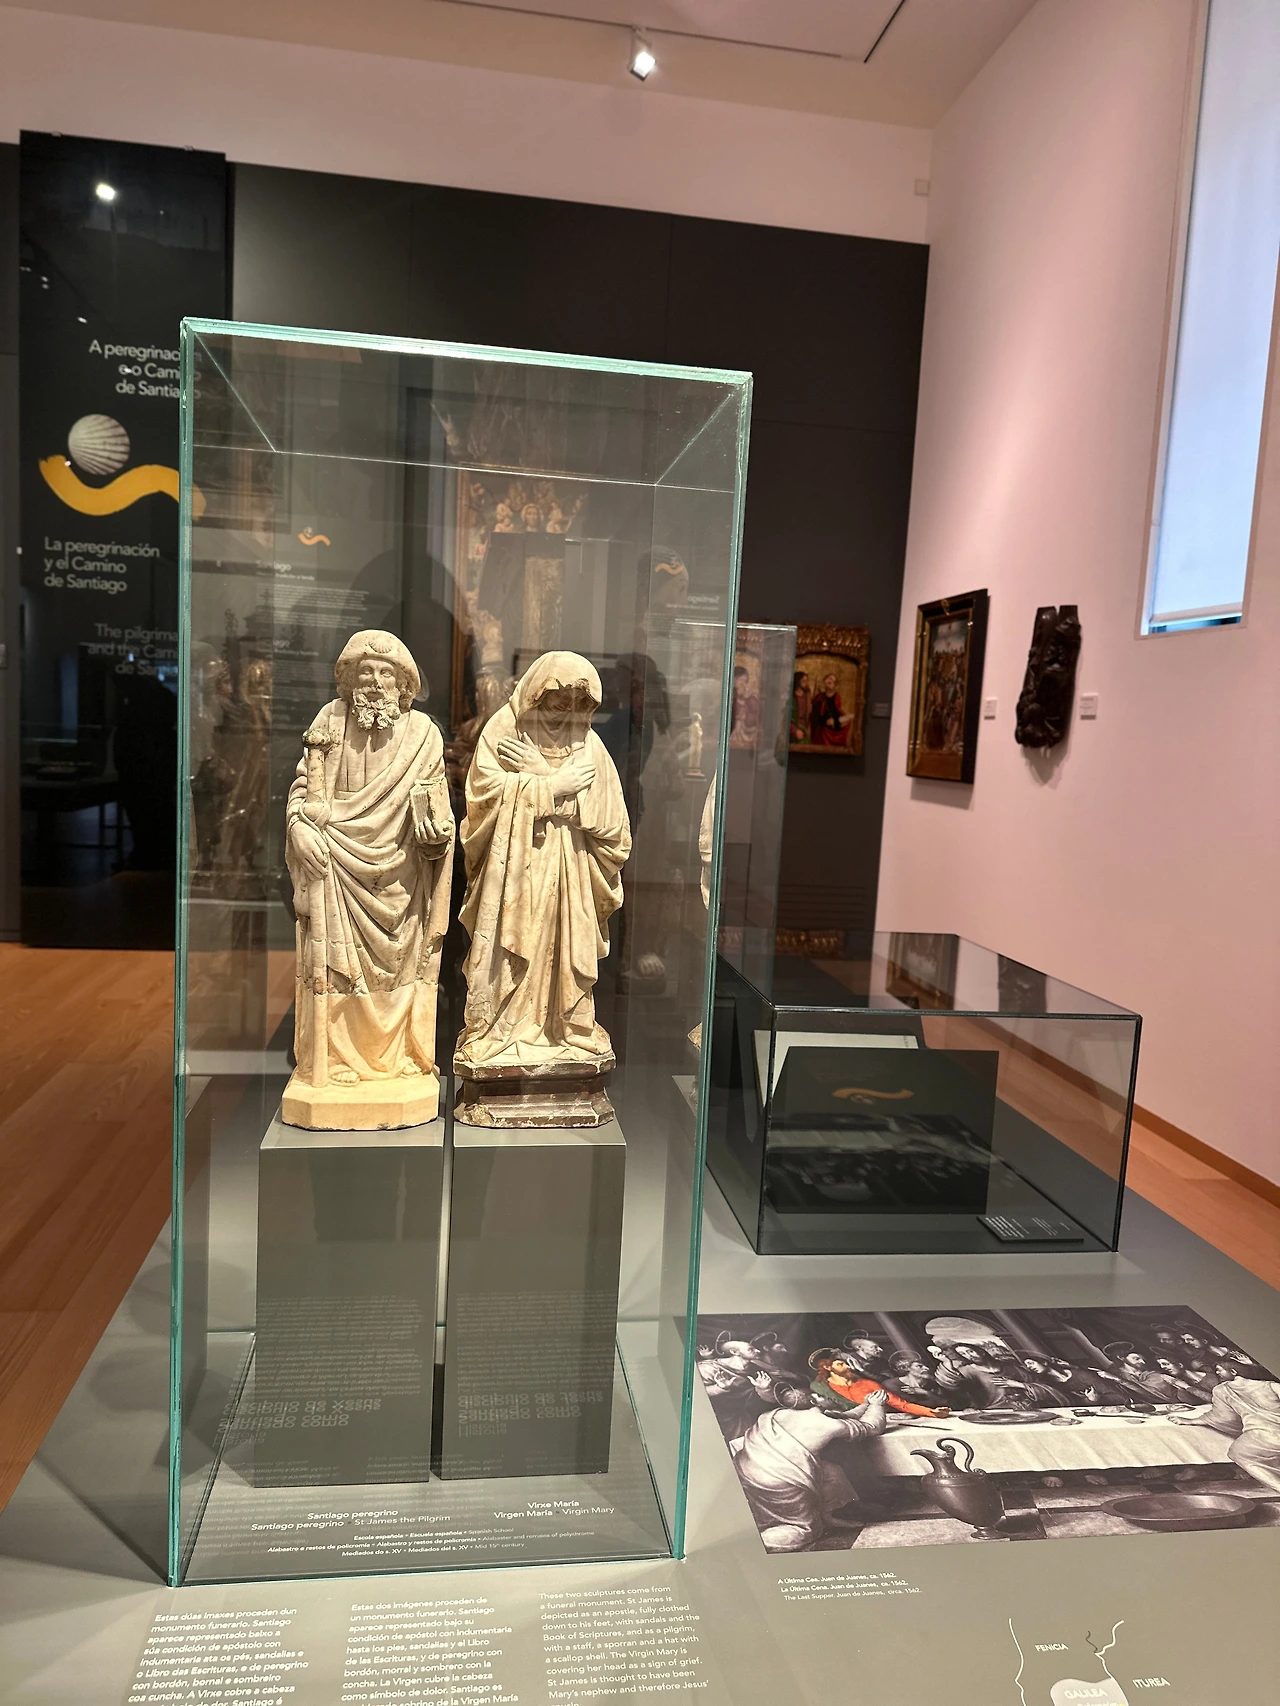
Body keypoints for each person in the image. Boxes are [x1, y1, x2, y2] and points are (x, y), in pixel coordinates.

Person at [285, 631, 455, 1095]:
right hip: (335, 865)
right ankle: (335, 1056)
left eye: (386, 672)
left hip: (400, 874)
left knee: (399, 963)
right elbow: (304, 789)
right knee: (336, 962)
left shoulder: (423, 734)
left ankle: (397, 1054)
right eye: (366, 672)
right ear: (349, 679)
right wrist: (299, 828)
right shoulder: (330, 719)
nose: (376, 682)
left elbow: (435, 805)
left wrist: (436, 838)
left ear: (404, 683)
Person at [454, 652, 631, 1074]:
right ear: (538, 694)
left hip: (570, 868)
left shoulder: (589, 744)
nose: (567, 711)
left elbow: (614, 824)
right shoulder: (505, 729)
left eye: (577, 703)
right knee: (512, 950)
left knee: (563, 950)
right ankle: (501, 1027)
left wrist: (547, 783)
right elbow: (481, 800)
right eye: (557, 700)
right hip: (514, 870)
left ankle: (565, 1026)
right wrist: (552, 785)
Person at [731, 1389, 890, 1551]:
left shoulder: (775, 1414)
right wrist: (878, 1405)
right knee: (805, 1530)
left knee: (832, 1472)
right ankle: (753, 1543)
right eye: (820, 1395)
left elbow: (844, 1416)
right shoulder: (829, 1425)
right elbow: (873, 1427)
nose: (826, 1395)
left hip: (747, 1470)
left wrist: (866, 1404)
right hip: (781, 1482)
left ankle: (827, 1516)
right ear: (814, 1402)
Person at [1171, 1362, 1280, 1493]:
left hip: (1262, 1435)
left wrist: (1191, 1421)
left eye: (1219, 1370)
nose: (1217, 1373)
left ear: (1233, 1372)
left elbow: (1224, 1418)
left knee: (1238, 1454)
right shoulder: (1272, 1386)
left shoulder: (1222, 1390)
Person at [810, 1351, 948, 1420]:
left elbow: (901, 1404)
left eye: (847, 1363)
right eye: (841, 1364)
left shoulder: (868, 1384)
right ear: (827, 1367)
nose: (848, 1367)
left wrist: (931, 1412)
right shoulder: (818, 1387)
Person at [809, 671, 852, 748]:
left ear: (835, 685)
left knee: (850, 717)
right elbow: (815, 715)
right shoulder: (819, 697)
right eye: (829, 678)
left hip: (834, 722)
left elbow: (837, 711)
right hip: (823, 724)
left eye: (833, 681)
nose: (831, 681)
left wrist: (834, 720)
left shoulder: (836, 696)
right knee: (824, 731)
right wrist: (826, 721)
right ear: (824, 681)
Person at [789, 670, 812, 745]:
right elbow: (786, 717)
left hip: (804, 727)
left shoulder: (807, 696)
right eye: (803, 681)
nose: (806, 683)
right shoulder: (791, 697)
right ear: (797, 681)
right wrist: (794, 730)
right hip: (793, 728)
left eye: (806, 681)